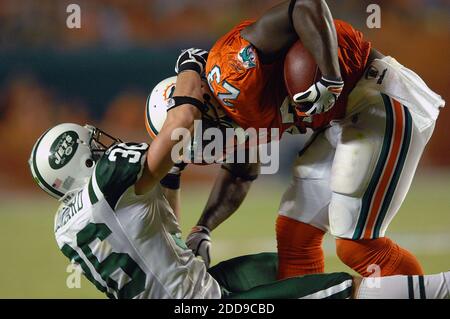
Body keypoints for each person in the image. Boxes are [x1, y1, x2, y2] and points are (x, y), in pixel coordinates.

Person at [148, 0, 445, 279]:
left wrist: (330, 77)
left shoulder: (234, 71)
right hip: (345, 117)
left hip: (378, 97)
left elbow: (305, 4)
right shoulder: (231, 113)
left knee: (358, 245)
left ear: (198, 104)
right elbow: (240, 174)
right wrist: (203, 227)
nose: (211, 151)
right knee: (295, 234)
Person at [29, 122, 450, 299]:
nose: (103, 145)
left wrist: (194, 232)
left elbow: (157, 238)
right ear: (82, 161)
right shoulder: (110, 178)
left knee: (283, 267)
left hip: (192, 289)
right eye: (93, 146)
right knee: (343, 288)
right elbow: (176, 132)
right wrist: (188, 84)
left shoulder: (65, 226)